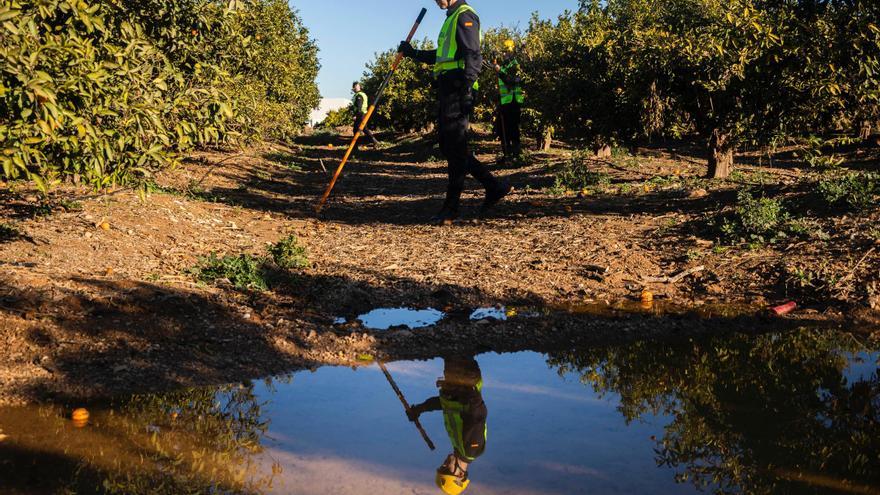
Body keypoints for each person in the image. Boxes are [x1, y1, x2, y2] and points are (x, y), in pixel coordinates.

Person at [399, 0, 512, 224]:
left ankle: (451, 208)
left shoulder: (464, 15)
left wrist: (468, 90)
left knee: (455, 147)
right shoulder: (451, 17)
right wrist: (414, 53)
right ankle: (493, 186)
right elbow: (443, 55)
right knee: (449, 145)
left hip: (459, 88)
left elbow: (473, 55)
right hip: (448, 87)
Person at [407, 356, 487, 495]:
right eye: (447, 469)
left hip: (456, 383)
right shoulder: (471, 449)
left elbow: (447, 405)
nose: (444, 464)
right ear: (460, 475)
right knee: (458, 347)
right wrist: (466, 390)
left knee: (450, 346)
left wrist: (419, 409)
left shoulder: (458, 446)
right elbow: (478, 415)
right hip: (465, 380)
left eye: (441, 467)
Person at [494, 40, 524, 161]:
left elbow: (511, 81)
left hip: (513, 101)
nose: (505, 54)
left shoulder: (515, 65)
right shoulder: (505, 65)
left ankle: (516, 156)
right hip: (504, 102)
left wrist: (499, 72)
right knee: (502, 129)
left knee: (513, 129)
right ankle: (507, 154)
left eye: (507, 52)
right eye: (504, 52)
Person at [351, 82, 380, 152]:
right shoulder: (360, 94)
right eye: (354, 87)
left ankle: (374, 142)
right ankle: (355, 146)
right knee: (361, 129)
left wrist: (356, 115)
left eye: (356, 86)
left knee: (360, 129)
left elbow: (359, 107)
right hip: (362, 114)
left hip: (360, 114)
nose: (354, 88)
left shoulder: (359, 96)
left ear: (359, 87)